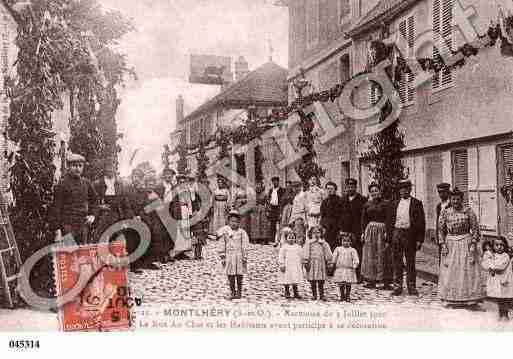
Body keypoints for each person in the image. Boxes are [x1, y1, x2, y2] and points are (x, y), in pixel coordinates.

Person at [438, 187, 485, 307]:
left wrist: (473, 243)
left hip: (466, 243)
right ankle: (451, 297)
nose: (455, 202)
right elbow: (440, 230)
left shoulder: (468, 211)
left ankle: (470, 298)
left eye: (457, 199)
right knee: (451, 270)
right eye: (453, 199)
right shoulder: (445, 211)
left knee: (467, 270)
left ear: (461, 199)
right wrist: (443, 244)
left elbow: (475, 230)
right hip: (451, 243)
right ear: (450, 199)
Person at [387, 180, 426, 296]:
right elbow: (389, 221)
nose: (404, 191)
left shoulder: (416, 203)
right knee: (397, 261)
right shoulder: (394, 203)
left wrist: (419, 239)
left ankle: (411, 286)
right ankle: (397, 286)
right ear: (399, 191)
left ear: (410, 190)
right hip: (396, 233)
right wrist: (389, 236)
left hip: (410, 235)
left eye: (406, 189)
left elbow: (421, 222)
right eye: (402, 189)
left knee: (410, 261)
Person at [50, 153, 98, 245]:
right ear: (68, 167)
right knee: (70, 254)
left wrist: (92, 215)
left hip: (83, 226)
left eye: (80, 166)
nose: (77, 168)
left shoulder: (86, 183)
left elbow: (95, 200)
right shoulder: (62, 185)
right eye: (74, 166)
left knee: (83, 254)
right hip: (67, 227)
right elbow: (56, 209)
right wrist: (57, 231)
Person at [93, 160, 135, 244]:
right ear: (104, 168)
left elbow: (125, 204)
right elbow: (92, 201)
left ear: (116, 168)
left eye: (112, 167)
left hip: (117, 216)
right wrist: (99, 206)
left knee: (117, 243)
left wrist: (128, 219)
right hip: (102, 217)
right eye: (108, 167)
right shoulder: (97, 184)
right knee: (100, 242)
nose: (110, 169)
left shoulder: (121, 184)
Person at [360, 182, 392, 290]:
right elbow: (364, 219)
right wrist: (363, 232)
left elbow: (389, 219)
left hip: (382, 230)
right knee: (370, 255)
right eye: (372, 191)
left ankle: (385, 281)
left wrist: (387, 231)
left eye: (376, 190)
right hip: (370, 231)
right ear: (370, 193)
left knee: (383, 254)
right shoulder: (367, 204)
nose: (374, 193)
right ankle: (371, 280)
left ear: (380, 191)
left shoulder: (386, 204)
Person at [217, 210, 250, 300]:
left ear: (239, 222)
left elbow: (245, 244)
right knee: (230, 274)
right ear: (228, 222)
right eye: (232, 221)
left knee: (239, 274)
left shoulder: (242, 233)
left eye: (236, 221)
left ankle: (239, 291)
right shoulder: (225, 232)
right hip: (229, 256)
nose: (234, 223)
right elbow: (221, 244)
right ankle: (232, 291)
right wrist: (222, 255)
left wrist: (244, 255)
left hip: (239, 256)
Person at [340, 178, 367, 283]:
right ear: (346, 188)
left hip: (357, 230)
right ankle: (348, 275)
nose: (350, 188)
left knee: (358, 252)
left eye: (352, 187)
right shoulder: (342, 200)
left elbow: (364, 217)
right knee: (346, 252)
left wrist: (362, 231)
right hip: (345, 230)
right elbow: (340, 215)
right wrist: (341, 229)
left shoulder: (362, 199)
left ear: (356, 187)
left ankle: (359, 274)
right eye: (348, 187)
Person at [482, 236, 513, 320]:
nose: (499, 247)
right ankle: (501, 314)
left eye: (501, 245)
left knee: (505, 298)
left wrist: (491, 266)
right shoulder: (492, 255)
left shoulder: (505, 256)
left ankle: (505, 315)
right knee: (499, 299)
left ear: (505, 246)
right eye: (497, 245)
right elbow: (484, 265)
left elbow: (500, 266)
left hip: (504, 280)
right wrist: (489, 261)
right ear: (493, 246)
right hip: (497, 282)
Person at [302, 225, 333, 301]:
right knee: (312, 280)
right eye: (314, 232)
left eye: (318, 232)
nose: (316, 234)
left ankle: (322, 294)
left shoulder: (323, 243)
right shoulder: (309, 243)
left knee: (321, 280)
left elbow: (328, 253)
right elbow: (305, 252)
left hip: (321, 264)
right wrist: (306, 261)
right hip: (312, 263)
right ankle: (314, 295)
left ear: (321, 233)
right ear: (310, 234)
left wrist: (329, 261)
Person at [332, 232, 360, 302]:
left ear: (351, 242)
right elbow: (334, 257)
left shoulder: (352, 250)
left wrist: (355, 265)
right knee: (341, 283)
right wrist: (333, 263)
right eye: (344, 241)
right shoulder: (338, 249)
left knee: (348, 283)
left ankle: (347, 295)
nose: (346, 242)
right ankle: (342, 295)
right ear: (341, 241)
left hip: (349, 269)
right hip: (340, 269)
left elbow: (355, 259)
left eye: (348, 241)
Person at [278, 227, 303, 299]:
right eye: (289, 237)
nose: (291, 239)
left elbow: (301, 255)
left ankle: (296, 292)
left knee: (295, 278)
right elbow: (281, 256)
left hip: (295, 265)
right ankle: (287, 291)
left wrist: (302, 263)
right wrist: (282, 264)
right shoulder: (284, 247)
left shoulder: (298, 247)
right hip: (287, 266)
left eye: (293, 237)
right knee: (286, 278)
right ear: (286, 239)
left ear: (295, 238)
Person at [320, 181, 343, 251]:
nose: (329, 190)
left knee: (336, 245)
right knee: (327, 245)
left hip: (336, 227)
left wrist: (340, 228)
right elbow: (323, 215)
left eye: (331, 189)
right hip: (327, 227)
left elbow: (342, 215)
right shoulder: (325, 202)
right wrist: (323, 226)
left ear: (335, 190)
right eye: (328, 189)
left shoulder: (340, 200)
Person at [267, 176, 286, 245]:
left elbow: (283, 200)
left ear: (278, 182)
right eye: (273, 181)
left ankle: (280, 240)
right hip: (272, 208)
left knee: (281, 224)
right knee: (272, 225)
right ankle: (272, 240)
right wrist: (268, 207)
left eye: (276, 181)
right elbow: (268, 199)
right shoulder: (271, 190)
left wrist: (281, 209)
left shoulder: (282, 190)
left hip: (279, 208)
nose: (275, 182)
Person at [435, 183, 451, 264]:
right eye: (439, 192)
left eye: (443, 192)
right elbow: (438, 221)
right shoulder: (439, 206)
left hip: (451, 235)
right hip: (441, 235)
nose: (441, 194)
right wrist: (437, 236)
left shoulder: (452, 204)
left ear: (448, 192)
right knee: (442, 258)